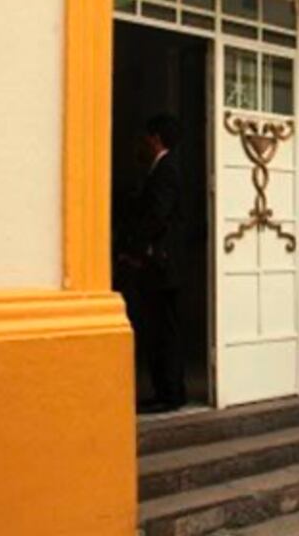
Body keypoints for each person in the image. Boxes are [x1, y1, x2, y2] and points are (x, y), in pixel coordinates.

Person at [120, 114, 187, 414]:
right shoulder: (162, 169)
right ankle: (166, 391)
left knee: (164, 329)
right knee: (160, 328)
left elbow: (157, 215)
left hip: (161, 264)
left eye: (147, 137)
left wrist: (137, 250)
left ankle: (170, 394)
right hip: (161, 263)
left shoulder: (166, 170)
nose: (143, 143)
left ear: (156, 138)